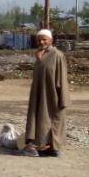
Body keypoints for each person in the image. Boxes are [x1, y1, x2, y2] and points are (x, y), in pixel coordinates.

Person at [21, 29, 69, 157]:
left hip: (52, 95)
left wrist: (63, 98)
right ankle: (37, 146)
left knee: (54, 119)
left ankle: (54, 148)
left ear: (51, 40)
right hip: (38, 94)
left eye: (44, 39)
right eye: (39, 40)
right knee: (38, 118)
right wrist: (39, 58)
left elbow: (62, 77)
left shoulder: (57, 55)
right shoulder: (39, 54)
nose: (41, 42)